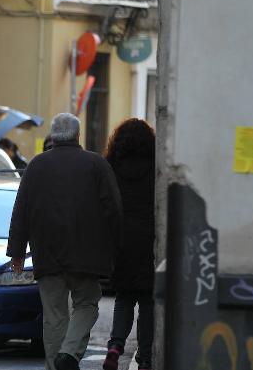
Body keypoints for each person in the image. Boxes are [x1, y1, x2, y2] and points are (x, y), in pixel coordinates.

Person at [7, 113, 122, 370]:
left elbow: (21, 210)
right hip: (88, 254)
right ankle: (68, 354)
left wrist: (16, 252)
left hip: (47, 253)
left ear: (54, 135)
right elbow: (113, 210)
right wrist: (116, 248)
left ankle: (56, 363)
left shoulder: (36, 166)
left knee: (54, 316)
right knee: (87, 304)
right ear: (78, 135)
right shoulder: (97, 165)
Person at [102, 119, 155, 370]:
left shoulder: (111, 165)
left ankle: (115, 346)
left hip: (121, 240)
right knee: (147, 302)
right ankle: (145, 357)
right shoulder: (156, 166)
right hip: (149, 240)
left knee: (123, 299)